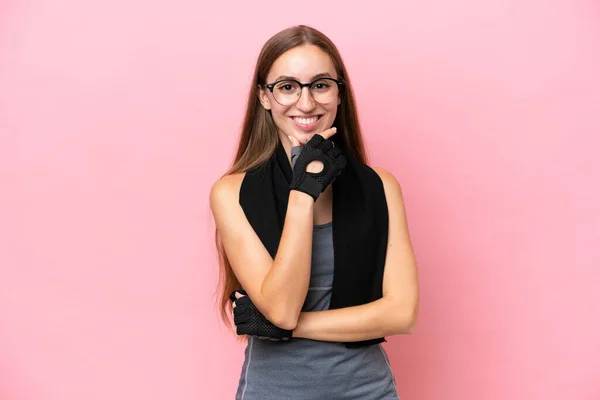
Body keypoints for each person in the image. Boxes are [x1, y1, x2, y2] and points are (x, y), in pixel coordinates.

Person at [210, 25, 419, 400]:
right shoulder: (231, 193)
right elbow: (283, 309)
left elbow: (401, 313)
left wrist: (282, 326)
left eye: (320, 85)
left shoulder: (380, 187)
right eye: (287, 87)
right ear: (264, 97)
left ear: (339, 93)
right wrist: (303, 192)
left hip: (367, 391)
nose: (306, 104)